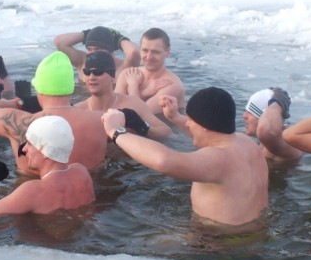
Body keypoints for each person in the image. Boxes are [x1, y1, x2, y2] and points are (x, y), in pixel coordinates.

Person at [102, 87, 268, 228]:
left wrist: (116, 131)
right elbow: (210, 133)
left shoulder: (219, 158)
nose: (187, 124)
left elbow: (163, 161)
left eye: (191, 120)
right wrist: (174, 117)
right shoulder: (245, 143)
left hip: (220, 242)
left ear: (204, 126)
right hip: (253, 231)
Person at [0, 51, 107, 175]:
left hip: (33, 195)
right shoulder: (101, 120)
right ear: (70, 87)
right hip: (90, 193)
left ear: (39, 89)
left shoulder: (21, 123)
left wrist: (16, 102)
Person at [0, 116, 95, 220]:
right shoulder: (81, 172)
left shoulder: (33, 191)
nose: (24, 149)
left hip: (45, 247)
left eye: (30, 143)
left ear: (46, 152)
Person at [74, 51, 171, 139]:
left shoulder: (132, 104)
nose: (91, 77)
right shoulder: (78, 111)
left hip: (128, 158)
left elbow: (167, 132)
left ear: (112, 77)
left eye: (98, 72)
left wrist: (141, 126)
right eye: (87, 72)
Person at [115, 27, 185, 114]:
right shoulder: (128, 74)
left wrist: (133, 86)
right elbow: (114, 109)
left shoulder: (173, 84)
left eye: (155, 52)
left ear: (167, 52)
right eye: (145, 50)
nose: (148, 57)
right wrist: (145, 92)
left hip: (164, 126)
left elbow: (140, 115)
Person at [53, 25, 140, 81]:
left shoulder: (122, 68)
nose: (92, 53)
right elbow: (59, 42)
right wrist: (87, 34)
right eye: (89, 49)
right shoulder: (83, 62)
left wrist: (119, 38)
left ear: (110, 50)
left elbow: (134, 52)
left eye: (97, 49)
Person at [243, 87, 303, 162]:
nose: (244, 116)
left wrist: (278, 101)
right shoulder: (271, 141)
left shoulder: (286, 142)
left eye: (250, 112)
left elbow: (266, 131)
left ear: (264, 115)